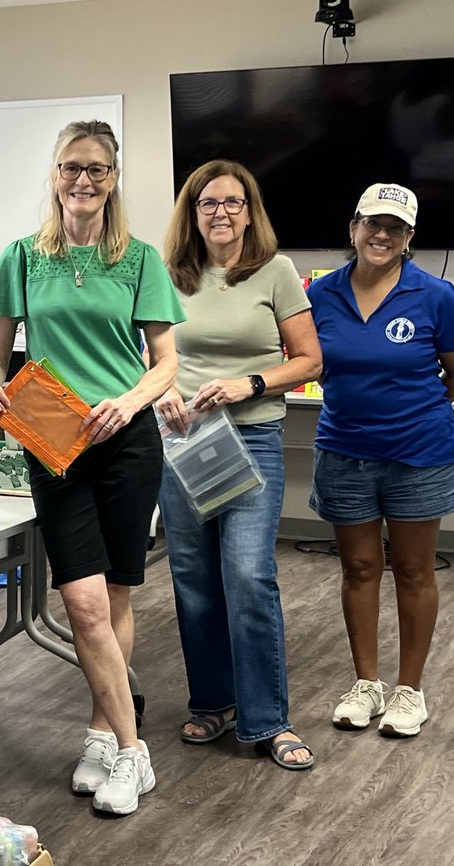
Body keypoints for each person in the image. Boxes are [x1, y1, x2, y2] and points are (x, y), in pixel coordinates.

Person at [0, 120, 184, 816]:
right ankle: (134, 751)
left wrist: (126, 404)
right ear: (55, 175)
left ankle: (99, 732)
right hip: (55, 439)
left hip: (125, 440)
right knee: (82, 600)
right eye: (71, 167)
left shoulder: (141, 260)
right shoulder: (24, 257)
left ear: (114, 177)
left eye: (96, 168)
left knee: (115, 597)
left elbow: (167, 366)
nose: (83, 180)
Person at [155, 160, 322, 770]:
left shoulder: (275, 272)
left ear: (250, 210)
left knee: (249, 577)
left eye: (232, 202)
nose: (220, 213)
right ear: (191, 213)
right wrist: (161, 391)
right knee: (194, 582)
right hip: (184, 443)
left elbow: (309, 360)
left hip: (251, 439)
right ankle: (213, 701)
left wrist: (249, 382)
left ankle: (268, 720)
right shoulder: (164, 273)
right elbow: (139, 354)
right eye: (207, 204)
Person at [308, 182, 454, 738]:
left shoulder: (436, 295)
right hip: (343, 452)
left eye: (395, 228)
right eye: (372, 224)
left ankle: (409, 691)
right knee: (358, 569)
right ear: (352, 228)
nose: (381, 235)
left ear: (409, 238)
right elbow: (308, 359)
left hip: (418, 456)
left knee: (413, 570)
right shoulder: (321, 294)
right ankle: (366, 684)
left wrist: (417, 412)